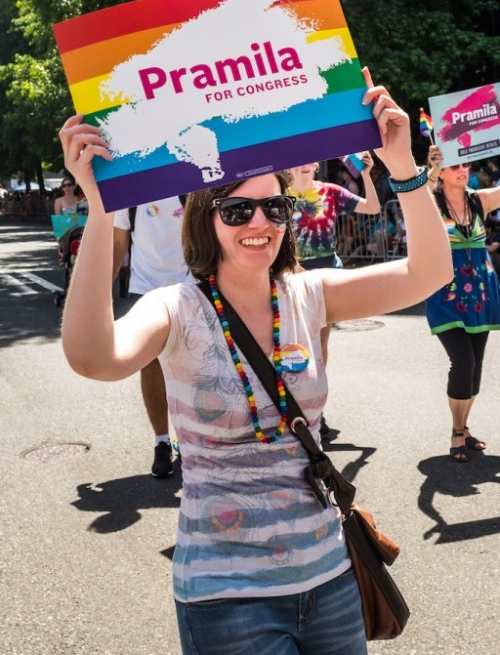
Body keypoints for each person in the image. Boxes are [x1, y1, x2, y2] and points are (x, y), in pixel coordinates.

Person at [58, 69, 452, 655]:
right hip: (225, 598)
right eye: (236, 211)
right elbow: (94, 358)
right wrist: (97, 208)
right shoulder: (175, 308)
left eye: (272, 207)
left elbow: (429, 274)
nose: (259, 223)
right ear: (206, 218)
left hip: (332, 580)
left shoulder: (311, 293)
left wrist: (403, 168)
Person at [426, 145, 500, 461]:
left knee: (476, 366)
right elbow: (415, 196)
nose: (462, 169)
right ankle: (457, 431)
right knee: (463, 361)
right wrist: (429, 170)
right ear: (442, 172)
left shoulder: (478, 200)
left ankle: (465, 427)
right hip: (445, 296)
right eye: (454, 165)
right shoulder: (431, 202)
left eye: (465, 164)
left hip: (481, 295)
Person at [112, 198, 193, 478]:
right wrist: (99, 293)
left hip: (189, 286)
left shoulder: (190, 183)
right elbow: (119, 244)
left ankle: (188, 438)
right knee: (151, 365)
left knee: (190, 366)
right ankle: (162, 442)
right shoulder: (128, 194)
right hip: (143, 288)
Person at [288, 152, 380, 366]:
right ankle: (296, 390)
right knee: (293, 342)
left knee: (320, 342)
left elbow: (373, 208)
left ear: (316, 165)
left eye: (308, 160)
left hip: (326, 273)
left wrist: (365, 174)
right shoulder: (279, 196)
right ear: (288, 167)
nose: (303, 164)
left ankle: (317, 392)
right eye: (296, 161)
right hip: (292, 275)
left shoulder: (330, 192)